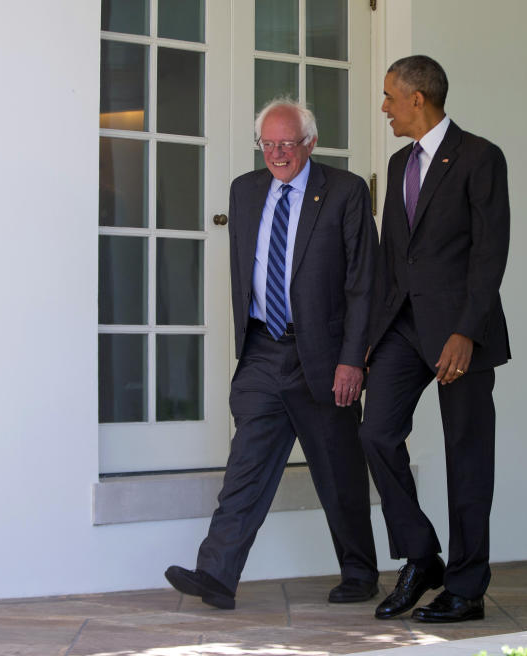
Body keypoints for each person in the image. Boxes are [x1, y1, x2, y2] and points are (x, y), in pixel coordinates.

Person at [165, 99, 379, 609]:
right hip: (262, 349)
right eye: (268, 144)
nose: (277, 153)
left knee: (338, 470)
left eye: (287, 143)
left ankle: (360, 573)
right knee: (245, 467)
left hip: (324, 356)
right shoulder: (245, 190)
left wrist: (354, 359)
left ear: (311, 143)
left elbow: (364, 283)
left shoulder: (346, 191)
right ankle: (216, 574)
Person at [360, 55, 511, 623]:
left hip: (459, 332)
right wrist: (374, 336)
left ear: (417, 97)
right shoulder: (400, 162)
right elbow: (393, 257)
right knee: (375, 434)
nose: (384, 108)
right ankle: (422, 556)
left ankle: (467, 589)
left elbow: (489, 253)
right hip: (402, 325)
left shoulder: (480, 157)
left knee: (466, 457)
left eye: (389, 97)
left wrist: (465, 331)